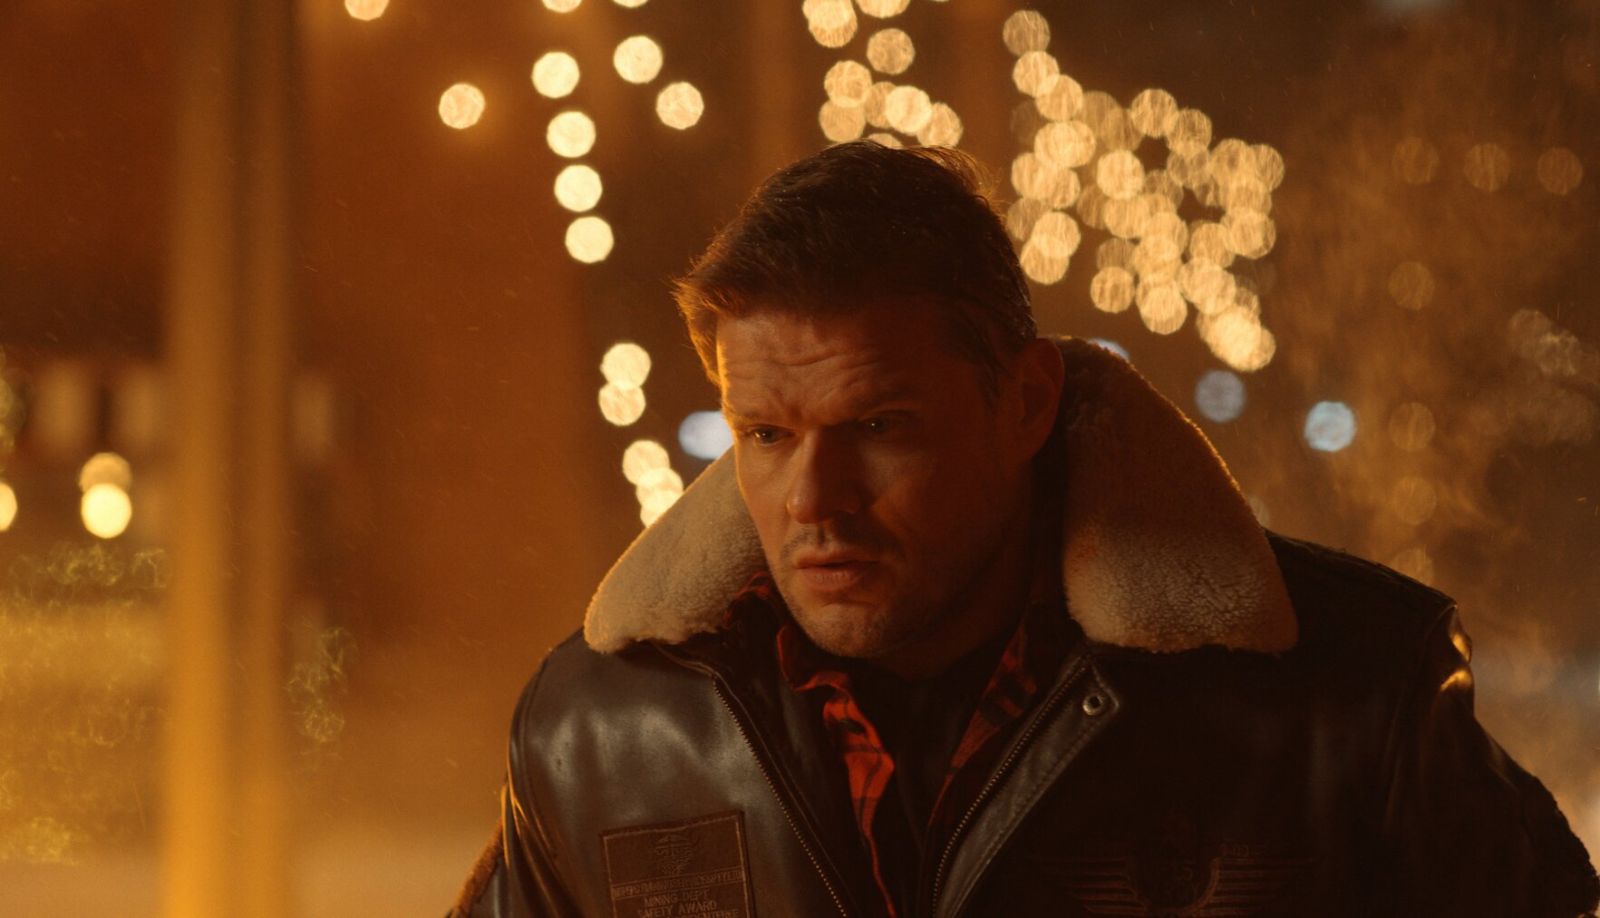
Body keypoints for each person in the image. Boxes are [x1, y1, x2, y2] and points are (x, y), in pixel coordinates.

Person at [453, 141, 1598, 917]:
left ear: (1027, 403)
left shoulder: (1344, 703)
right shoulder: (597, 737)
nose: (813, 499)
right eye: (765, 435)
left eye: (878, 426)